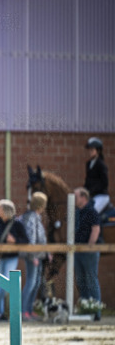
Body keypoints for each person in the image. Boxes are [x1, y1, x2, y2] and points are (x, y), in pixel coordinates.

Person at [0, 199, 28, 321]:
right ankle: (1, 313)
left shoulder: (17, 224)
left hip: (11, 257)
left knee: (4, 283)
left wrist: (14, 241)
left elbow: (25, 241)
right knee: (0, 283)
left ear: (5, 210)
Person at [18, 191, 48, 322]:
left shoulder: (37, 217)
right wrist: (33, 255)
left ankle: (29, 310)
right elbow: (31, 237)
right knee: (30, 282)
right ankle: (23, 311)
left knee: (36, 283)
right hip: (33, 256)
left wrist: (47, 253)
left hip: (39, 255)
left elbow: (41, 237)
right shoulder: (30, 217)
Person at [73, 186, 102, 320]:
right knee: (81, 281)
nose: (74, 199)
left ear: (83, 197)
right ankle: (85, 308)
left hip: (88, 252)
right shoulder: (77, 212)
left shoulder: (91, 211)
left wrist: (89, 247)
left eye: (76, 196)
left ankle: (96, 310)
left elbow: (95, 229)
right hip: (77, 251)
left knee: (91, 280)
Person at [84, 137, 109, 214]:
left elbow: (105, 183)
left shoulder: (101, 165)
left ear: (98, 151)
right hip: (92, 196)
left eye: (92, 150)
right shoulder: (88, 164)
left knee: (91, 213)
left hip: (101, 196)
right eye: (89, 150)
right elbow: (88, 181)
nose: (90, 152)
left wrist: (91, 190)